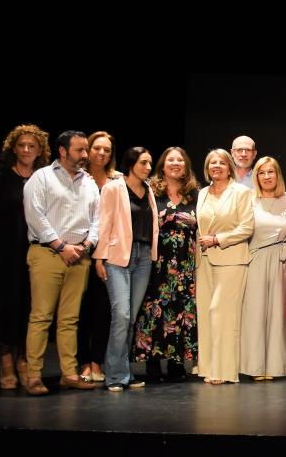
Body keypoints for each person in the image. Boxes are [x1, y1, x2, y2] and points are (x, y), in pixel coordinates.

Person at [22, 130, 100, 395]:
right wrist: (60, 245)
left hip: (80, 256)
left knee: (70, 319)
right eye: (79, 150)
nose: (85, 155)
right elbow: (35, 216)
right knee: (41, 317)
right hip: (47, 254)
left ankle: (69, 373)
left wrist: (87, 245)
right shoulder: (41, 177)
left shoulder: (88, 182)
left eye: (86, 150)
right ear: (63, 152)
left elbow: (97, 218)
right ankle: (33, 375)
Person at [0, 124, 49, 390]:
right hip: (5, 249)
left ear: (40, 150)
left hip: (35, 249)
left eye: (32, 146)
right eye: (21, 145)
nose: (26, 150)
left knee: (30, 305)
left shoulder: (45, 177)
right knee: (5, 304)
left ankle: (25, 361)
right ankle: (7, 362)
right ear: (13, 148)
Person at [133, 147, 199, 383]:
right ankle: (152, 360)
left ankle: (177, 360)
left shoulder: (195, 194)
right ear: (162, 165)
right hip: (156, 263)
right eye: (170, 159)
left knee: (181, 310)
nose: (175, 163)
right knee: (153, 310)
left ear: (186, 165)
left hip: (185, 264)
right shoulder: (150, 191)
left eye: (180, 160)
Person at [94, 147, 158, 392]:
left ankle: (124, 373)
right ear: (131, 163)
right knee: (120, 315)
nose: (148, 167)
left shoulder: (148, 190)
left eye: (150, 163)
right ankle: (115, 375)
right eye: (144, 162)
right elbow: (104, 223)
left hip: (143, 258)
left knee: (130, 317)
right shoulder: (114, 188)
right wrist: (99, 259)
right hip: (117, 256)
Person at [195, 149, 255, 385]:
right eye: (212, 163)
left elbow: (246, 228)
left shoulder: (240, 192)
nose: (217, 166)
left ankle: (224, 370)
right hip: (205, 261)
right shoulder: (202, 193)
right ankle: (207, 366)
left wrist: (217, 239)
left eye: (221, 163)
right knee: (207, 315)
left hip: (231, 259)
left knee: (223, 315)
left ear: (230, 167)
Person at [240, 156, 286, 380]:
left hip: (281, 261)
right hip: (255, 259)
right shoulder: (249, 200)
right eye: (262, 173)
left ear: (278, 174)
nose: (266, 177)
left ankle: (275, 366)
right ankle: (254, 367)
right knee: (254, 314)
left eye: (270, 172)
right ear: (256, 177)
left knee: (277, 314)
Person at [77, 131, 116, 384]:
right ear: (88, 150)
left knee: (103, 310)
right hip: (79, 251)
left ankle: (96, 361)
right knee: (80, 310)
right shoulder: (78, 178)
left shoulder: (117, 181)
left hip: (108, 255)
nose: (101, 153)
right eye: (97, 148)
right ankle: (82, 362)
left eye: (107, 150)